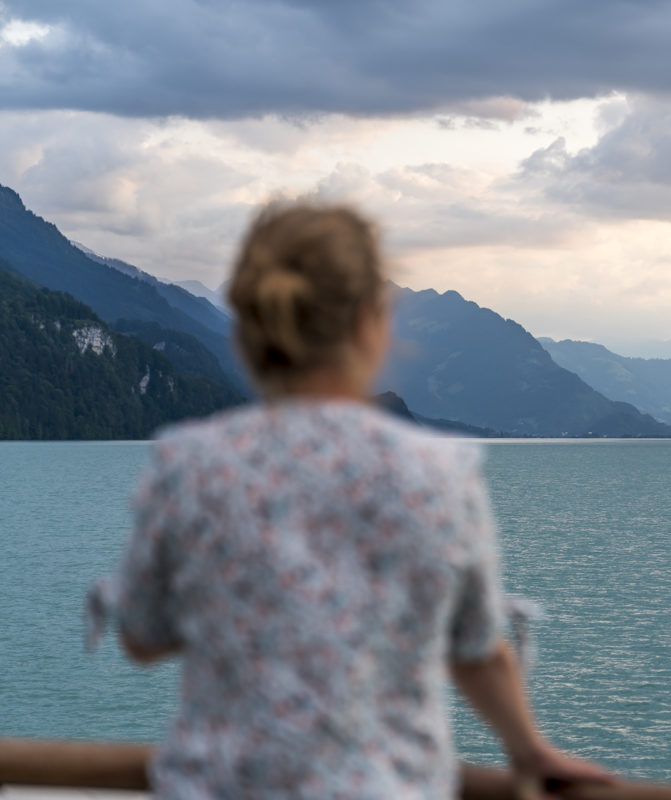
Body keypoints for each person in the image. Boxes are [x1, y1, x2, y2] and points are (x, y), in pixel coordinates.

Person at [98, 203, 611, 799]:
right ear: (372, 322)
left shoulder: (187, 464)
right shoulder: (438, 472)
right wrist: (531, 751)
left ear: (250, 330)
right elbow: (476, 649)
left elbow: (141, 635)